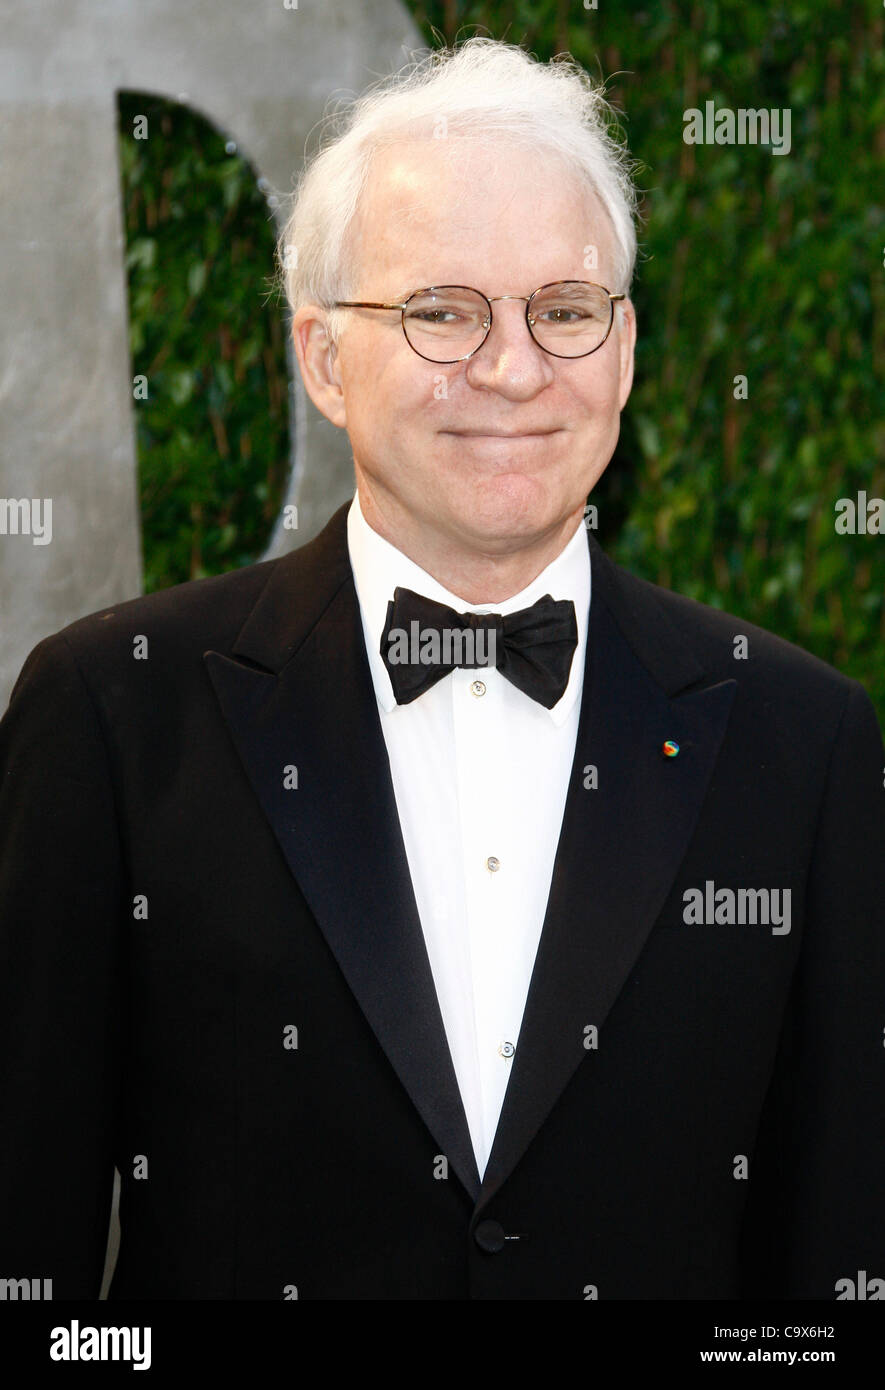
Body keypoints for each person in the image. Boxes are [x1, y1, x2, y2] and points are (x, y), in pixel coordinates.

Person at [1, 37, 882, 1301]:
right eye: (440, 310)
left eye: (563, 310)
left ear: (624, 352)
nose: (513, 367)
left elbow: (836, 1271)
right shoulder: (111, 713)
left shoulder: (804, 744)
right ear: (321, 357)